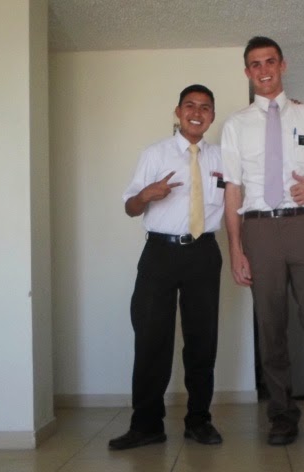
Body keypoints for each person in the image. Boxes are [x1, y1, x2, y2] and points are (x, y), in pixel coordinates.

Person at [221, 36, 304, 446]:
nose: (264, 70)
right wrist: (236, 249)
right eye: (255, 64)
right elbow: (233, 190)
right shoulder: (235, 125)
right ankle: (281, 414)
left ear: (282, 65)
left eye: (270, 61)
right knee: (270, 325)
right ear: (247, 72)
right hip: (258, 230)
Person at [109, 84, 225, 450]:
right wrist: (145, 195)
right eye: (190, 105)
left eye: (205, 107)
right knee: (151, 338)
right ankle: (146, 425)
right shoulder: (154, 154)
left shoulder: (223, 158)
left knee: (202, 340)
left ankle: (199, 421)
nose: (197, 112)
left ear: (212, 116)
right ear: (178, 112)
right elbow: (130, 207)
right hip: (160, 253)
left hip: (204, 253)